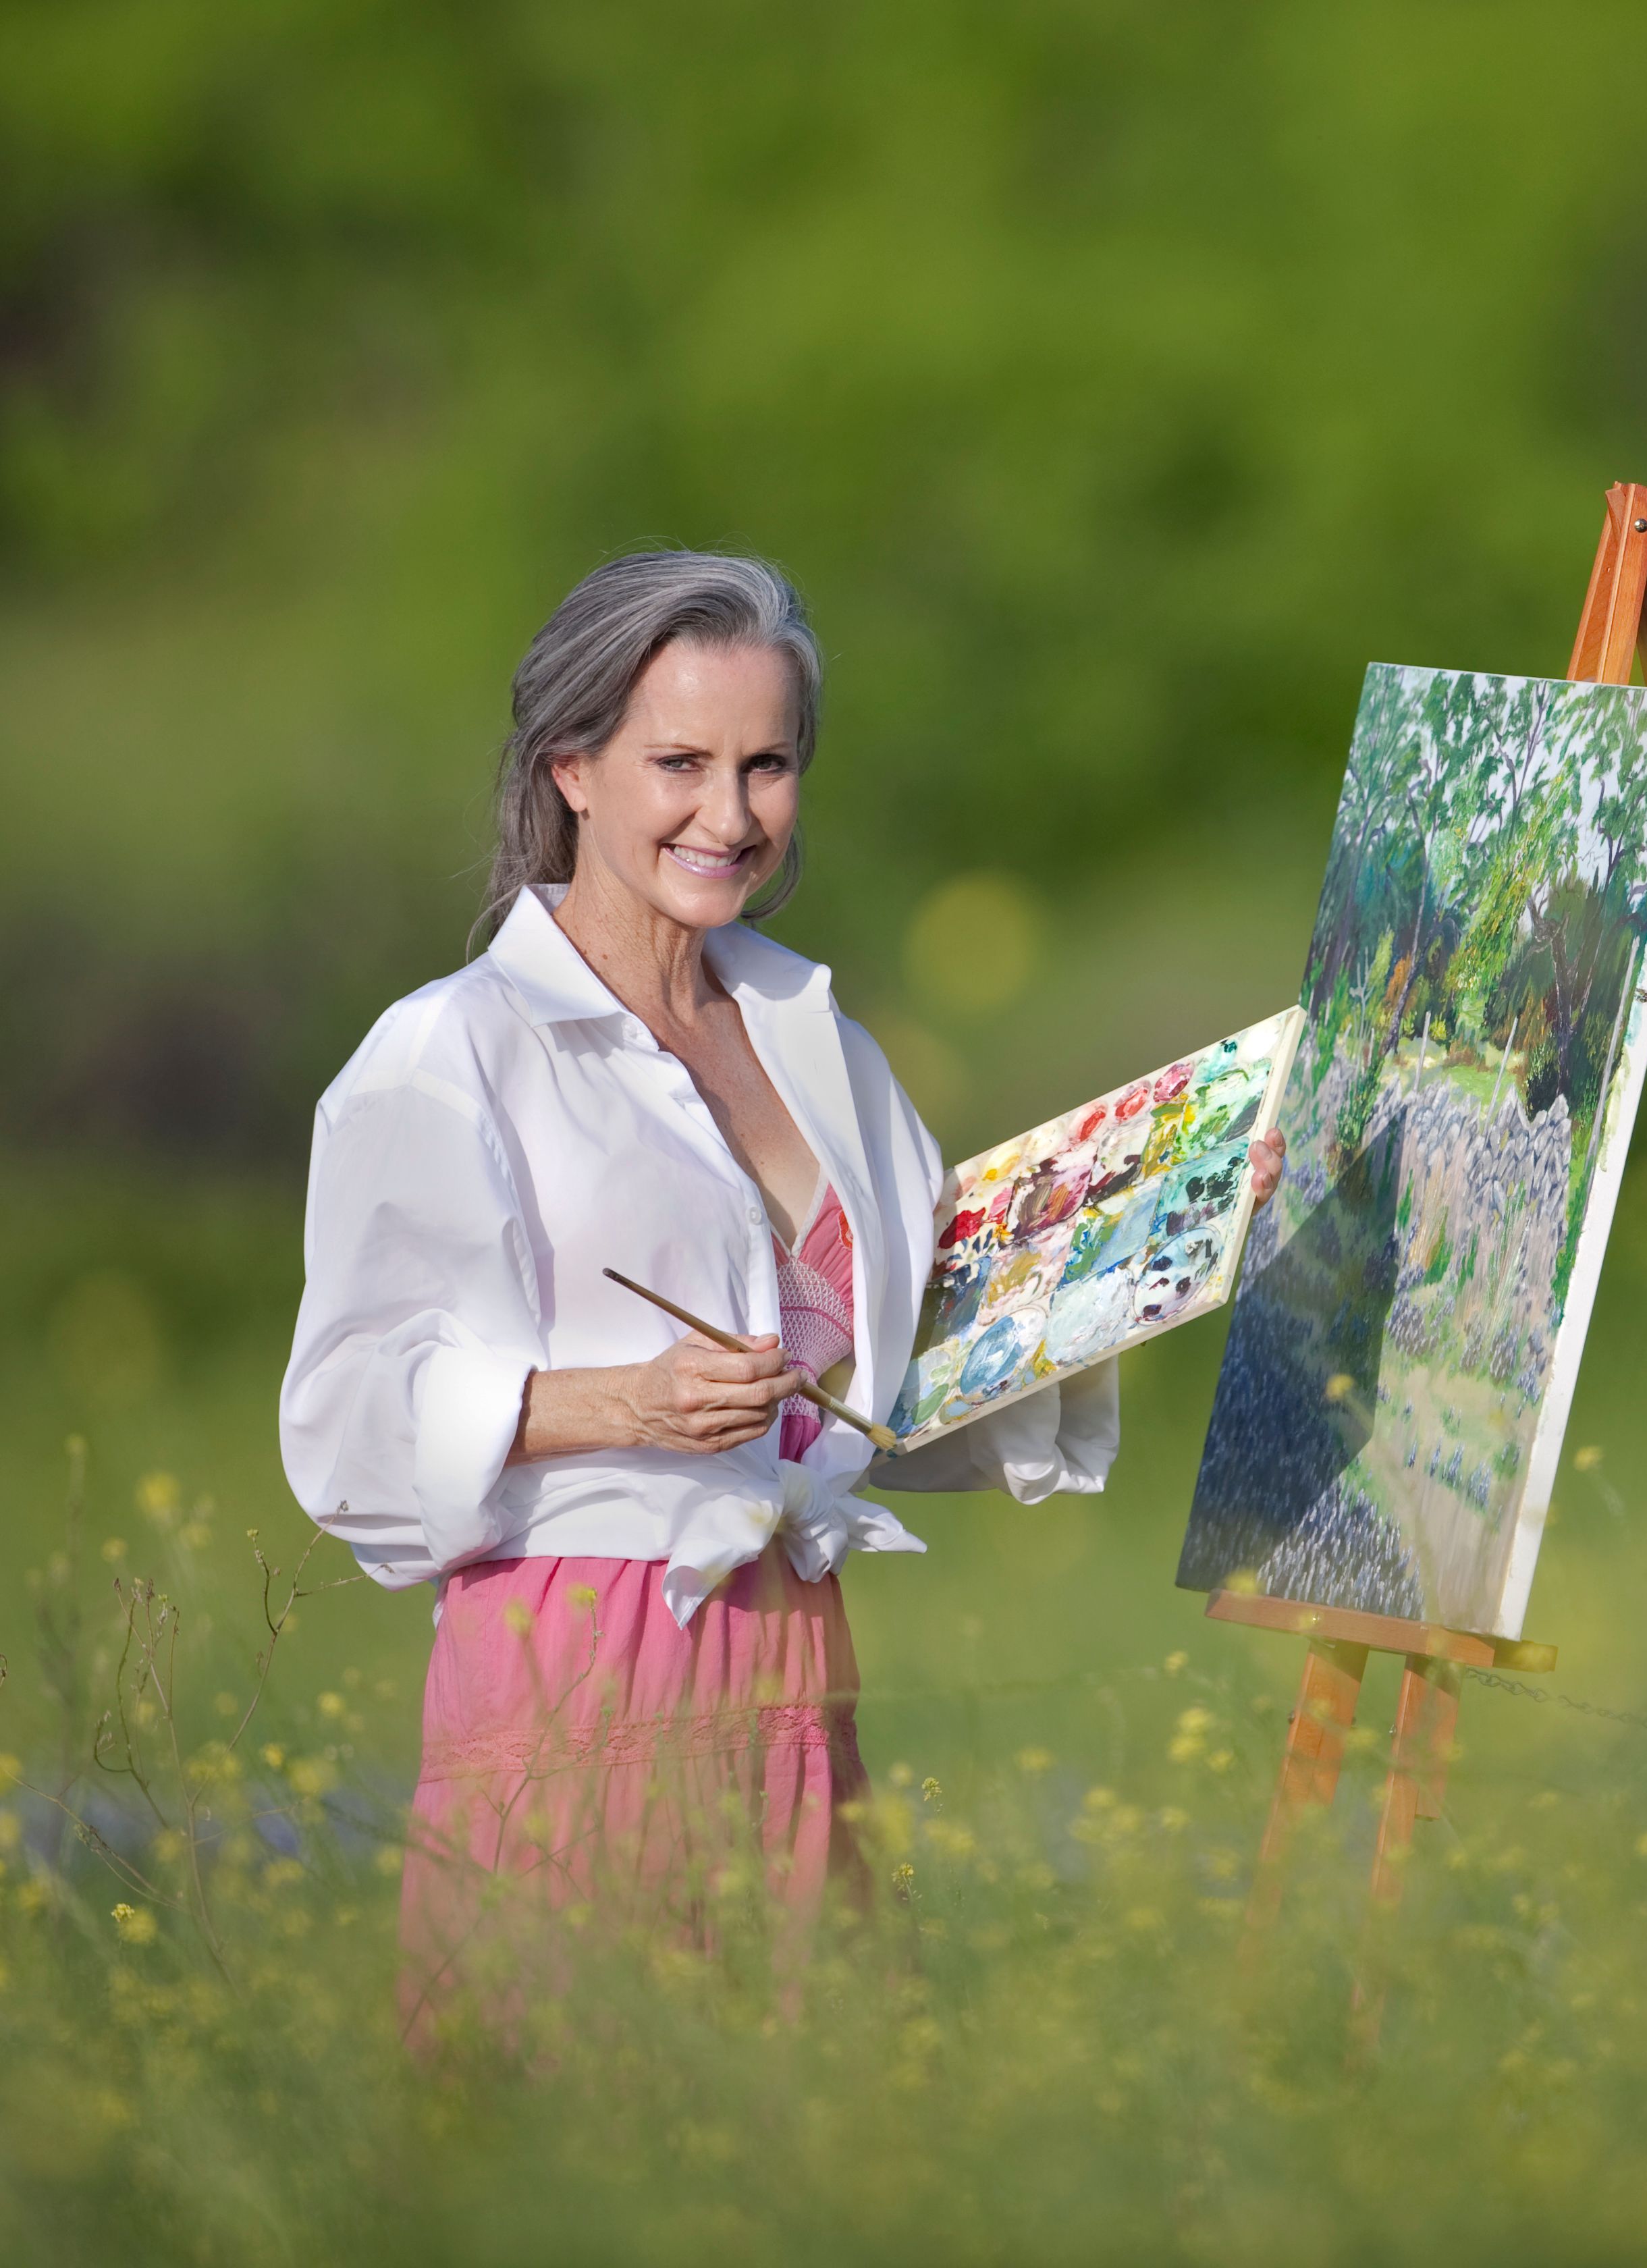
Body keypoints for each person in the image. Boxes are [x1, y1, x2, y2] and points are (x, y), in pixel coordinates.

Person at [277, 551, 1276, 2035]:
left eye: (768, 766)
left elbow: (881, 1387)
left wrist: (1189, 1215)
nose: (730, 815)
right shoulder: (451, 1050)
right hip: (580, 1654)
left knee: (812, 2149)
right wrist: (626, 1402)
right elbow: (345, 1432)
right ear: (573, 768)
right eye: (679, 763)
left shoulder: (823, 1045)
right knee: (586, 2161)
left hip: (800, 1652)